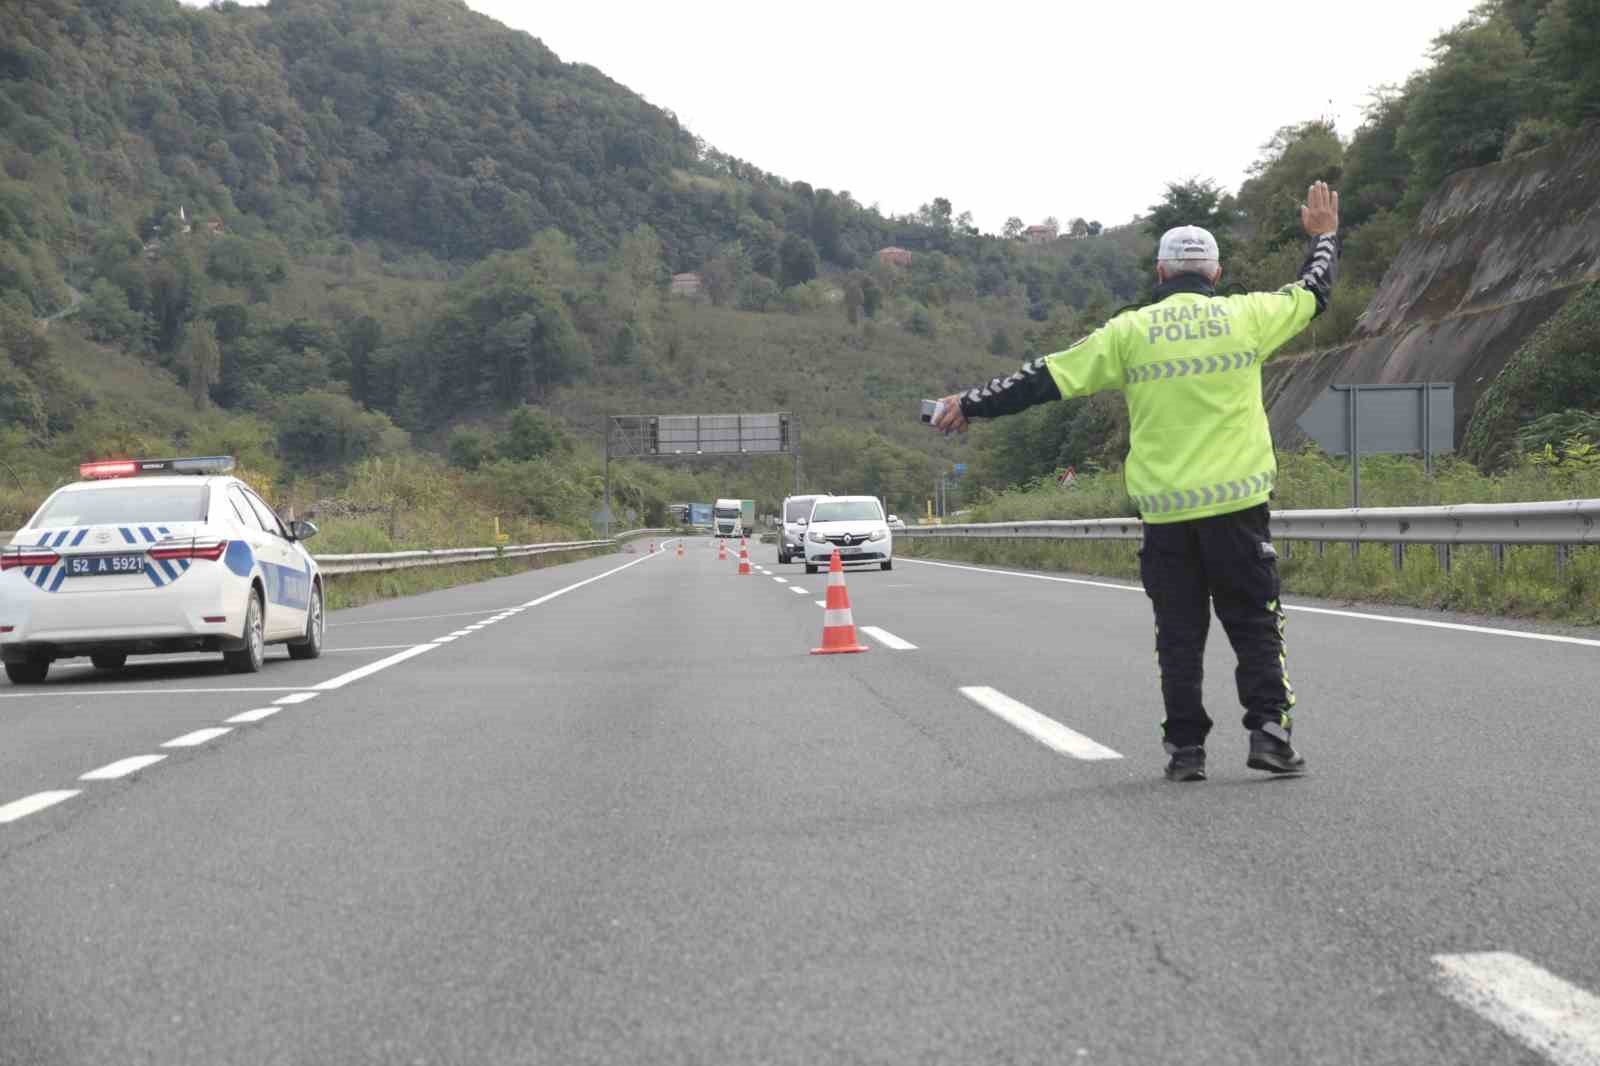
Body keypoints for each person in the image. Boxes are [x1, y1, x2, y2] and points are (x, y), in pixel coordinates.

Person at [932, 181, 1341, 782]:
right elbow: (1314, 290)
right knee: (1255, 622)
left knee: (1178, 635)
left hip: (1167, 516)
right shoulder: (1248, 316)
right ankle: (1271, 734)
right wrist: (1323, 236)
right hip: (1239, 509)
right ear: (1217, 272)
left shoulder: (1128, 333)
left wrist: (969, 403)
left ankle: (1185, 752)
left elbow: (1044, 378)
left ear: (1160, 272)